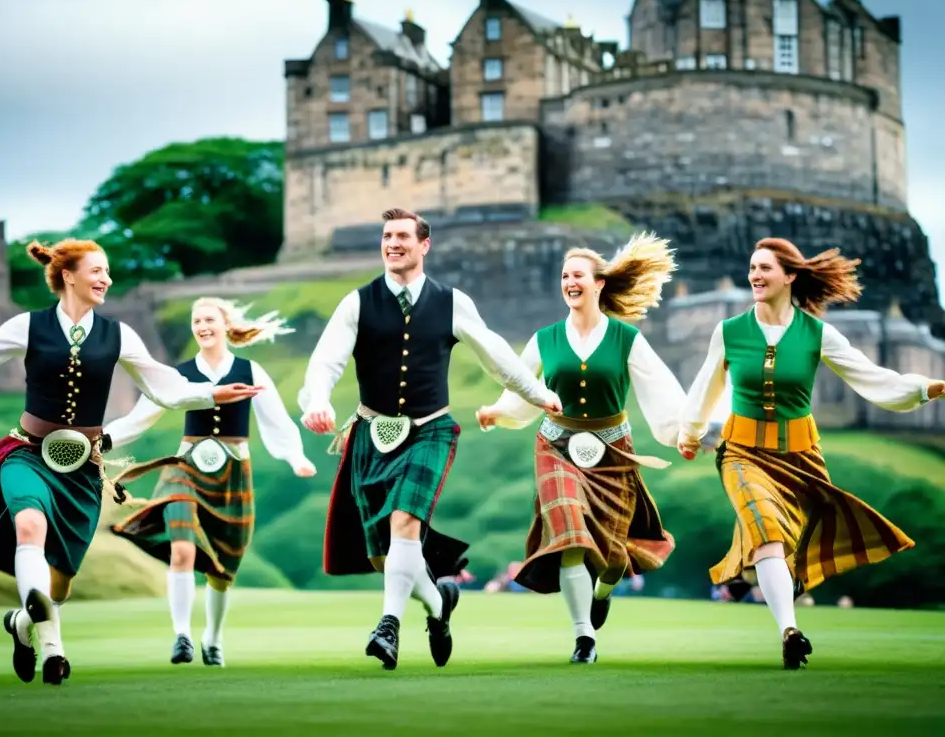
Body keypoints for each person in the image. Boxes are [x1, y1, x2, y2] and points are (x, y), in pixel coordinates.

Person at [0, 239, 263, 686]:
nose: (107, 279)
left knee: (60, 582)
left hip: (83, 469)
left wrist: (210, 393)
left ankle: (22, 625)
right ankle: (54, 651)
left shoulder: (120, 335)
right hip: (27, 452)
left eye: (107, 272)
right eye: (97, 271)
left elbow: (164, 385)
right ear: (68, 276)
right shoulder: (28, 326)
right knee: (30, 526)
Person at [298, 207, 562, 671]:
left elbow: (496, 354)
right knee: (386, 558)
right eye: (386, 236)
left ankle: (388, 627)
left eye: (402, 236)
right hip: (370, 433)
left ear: (424, 245)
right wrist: (316, 400)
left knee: (405, 522)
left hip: (430, 430)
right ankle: (439, 606)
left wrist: (538, 394)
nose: (392, 243)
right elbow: (326, 361)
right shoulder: (357, 302)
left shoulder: (452, 302)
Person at [677, 237, 944, 669]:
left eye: (765, 268)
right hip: (741, 452)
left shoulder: (819, 333)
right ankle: (790, 631)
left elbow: (875, 380)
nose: (755, 276)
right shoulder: (728, 331)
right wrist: (689, 434)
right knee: (765, 532)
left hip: (801, 457)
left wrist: (930, 388)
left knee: (787, 547)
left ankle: (755, 585)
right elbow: (705, 388)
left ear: (790, 276)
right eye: (752, 268)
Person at [475, 236, 681, 663]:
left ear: (599, 284)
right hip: (557, 447)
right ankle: (583, 636)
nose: (570, 282)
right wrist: (498, 412)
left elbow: (660, 391)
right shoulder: (544, 339)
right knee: (569, 535)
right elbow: (523, 388)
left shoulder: (627, 339)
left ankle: (604, 591)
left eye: (577, 276)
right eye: (565, 276)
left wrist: (682, 431)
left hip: (613, 453)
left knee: (609, 557)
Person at [103, 297, 317, 667]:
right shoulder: (179, 373)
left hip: (233, 474)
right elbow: (141, 416)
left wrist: (296, 457)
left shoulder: (252, 371)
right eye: (196, 321)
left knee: (223, 568)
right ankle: (182, 636)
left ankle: (213, 639)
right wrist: (102, 440)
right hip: (185, 469)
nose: (202, 326)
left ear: (225, 324)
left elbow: (275, 420)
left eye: (208, 320)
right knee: (182, 550)